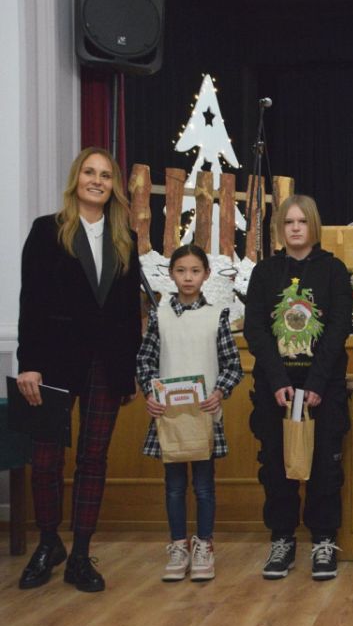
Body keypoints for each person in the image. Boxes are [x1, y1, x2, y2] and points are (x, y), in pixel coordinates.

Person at [16, 147, 142, 592]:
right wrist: (28, 364)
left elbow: (128, 312)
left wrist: (127, 370)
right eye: (90, 172)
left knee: (94, 458)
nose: (97, 181)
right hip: (52, 362)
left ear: (113, 186)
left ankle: (82, 554)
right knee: (46, 458)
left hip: (106, 365)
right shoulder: (47, 230)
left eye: (105, 175)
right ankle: (49, 543)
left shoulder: (125, 236)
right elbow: (31, 299)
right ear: (76, 179)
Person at [244, 195, 353, 581]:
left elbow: (338, 328)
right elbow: (255, 329)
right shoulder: (264, 272)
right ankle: (282, 539)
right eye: (288, 222)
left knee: (325, 467)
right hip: (276, 389)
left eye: (301, 221)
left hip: (323, 388)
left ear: (313, 226)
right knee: (276, 467)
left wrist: (317, 383)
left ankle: (323, 540)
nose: (294, 228)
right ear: (279, 228)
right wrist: (277, 381)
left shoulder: (334, 271)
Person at [136, 244, 243, 582]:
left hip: (204, 416)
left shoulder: (217, 315)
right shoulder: (160, 315)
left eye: (195, 271)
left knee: (204, 486)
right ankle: (178, 545)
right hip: (168, 417)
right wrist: (150, 393)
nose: (188, 278)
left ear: (206, 275)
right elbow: (145, 360)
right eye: (181, 271)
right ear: (171, 275)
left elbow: (232, 365)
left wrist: (219, 392)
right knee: (174, 486)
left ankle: (204, 546)